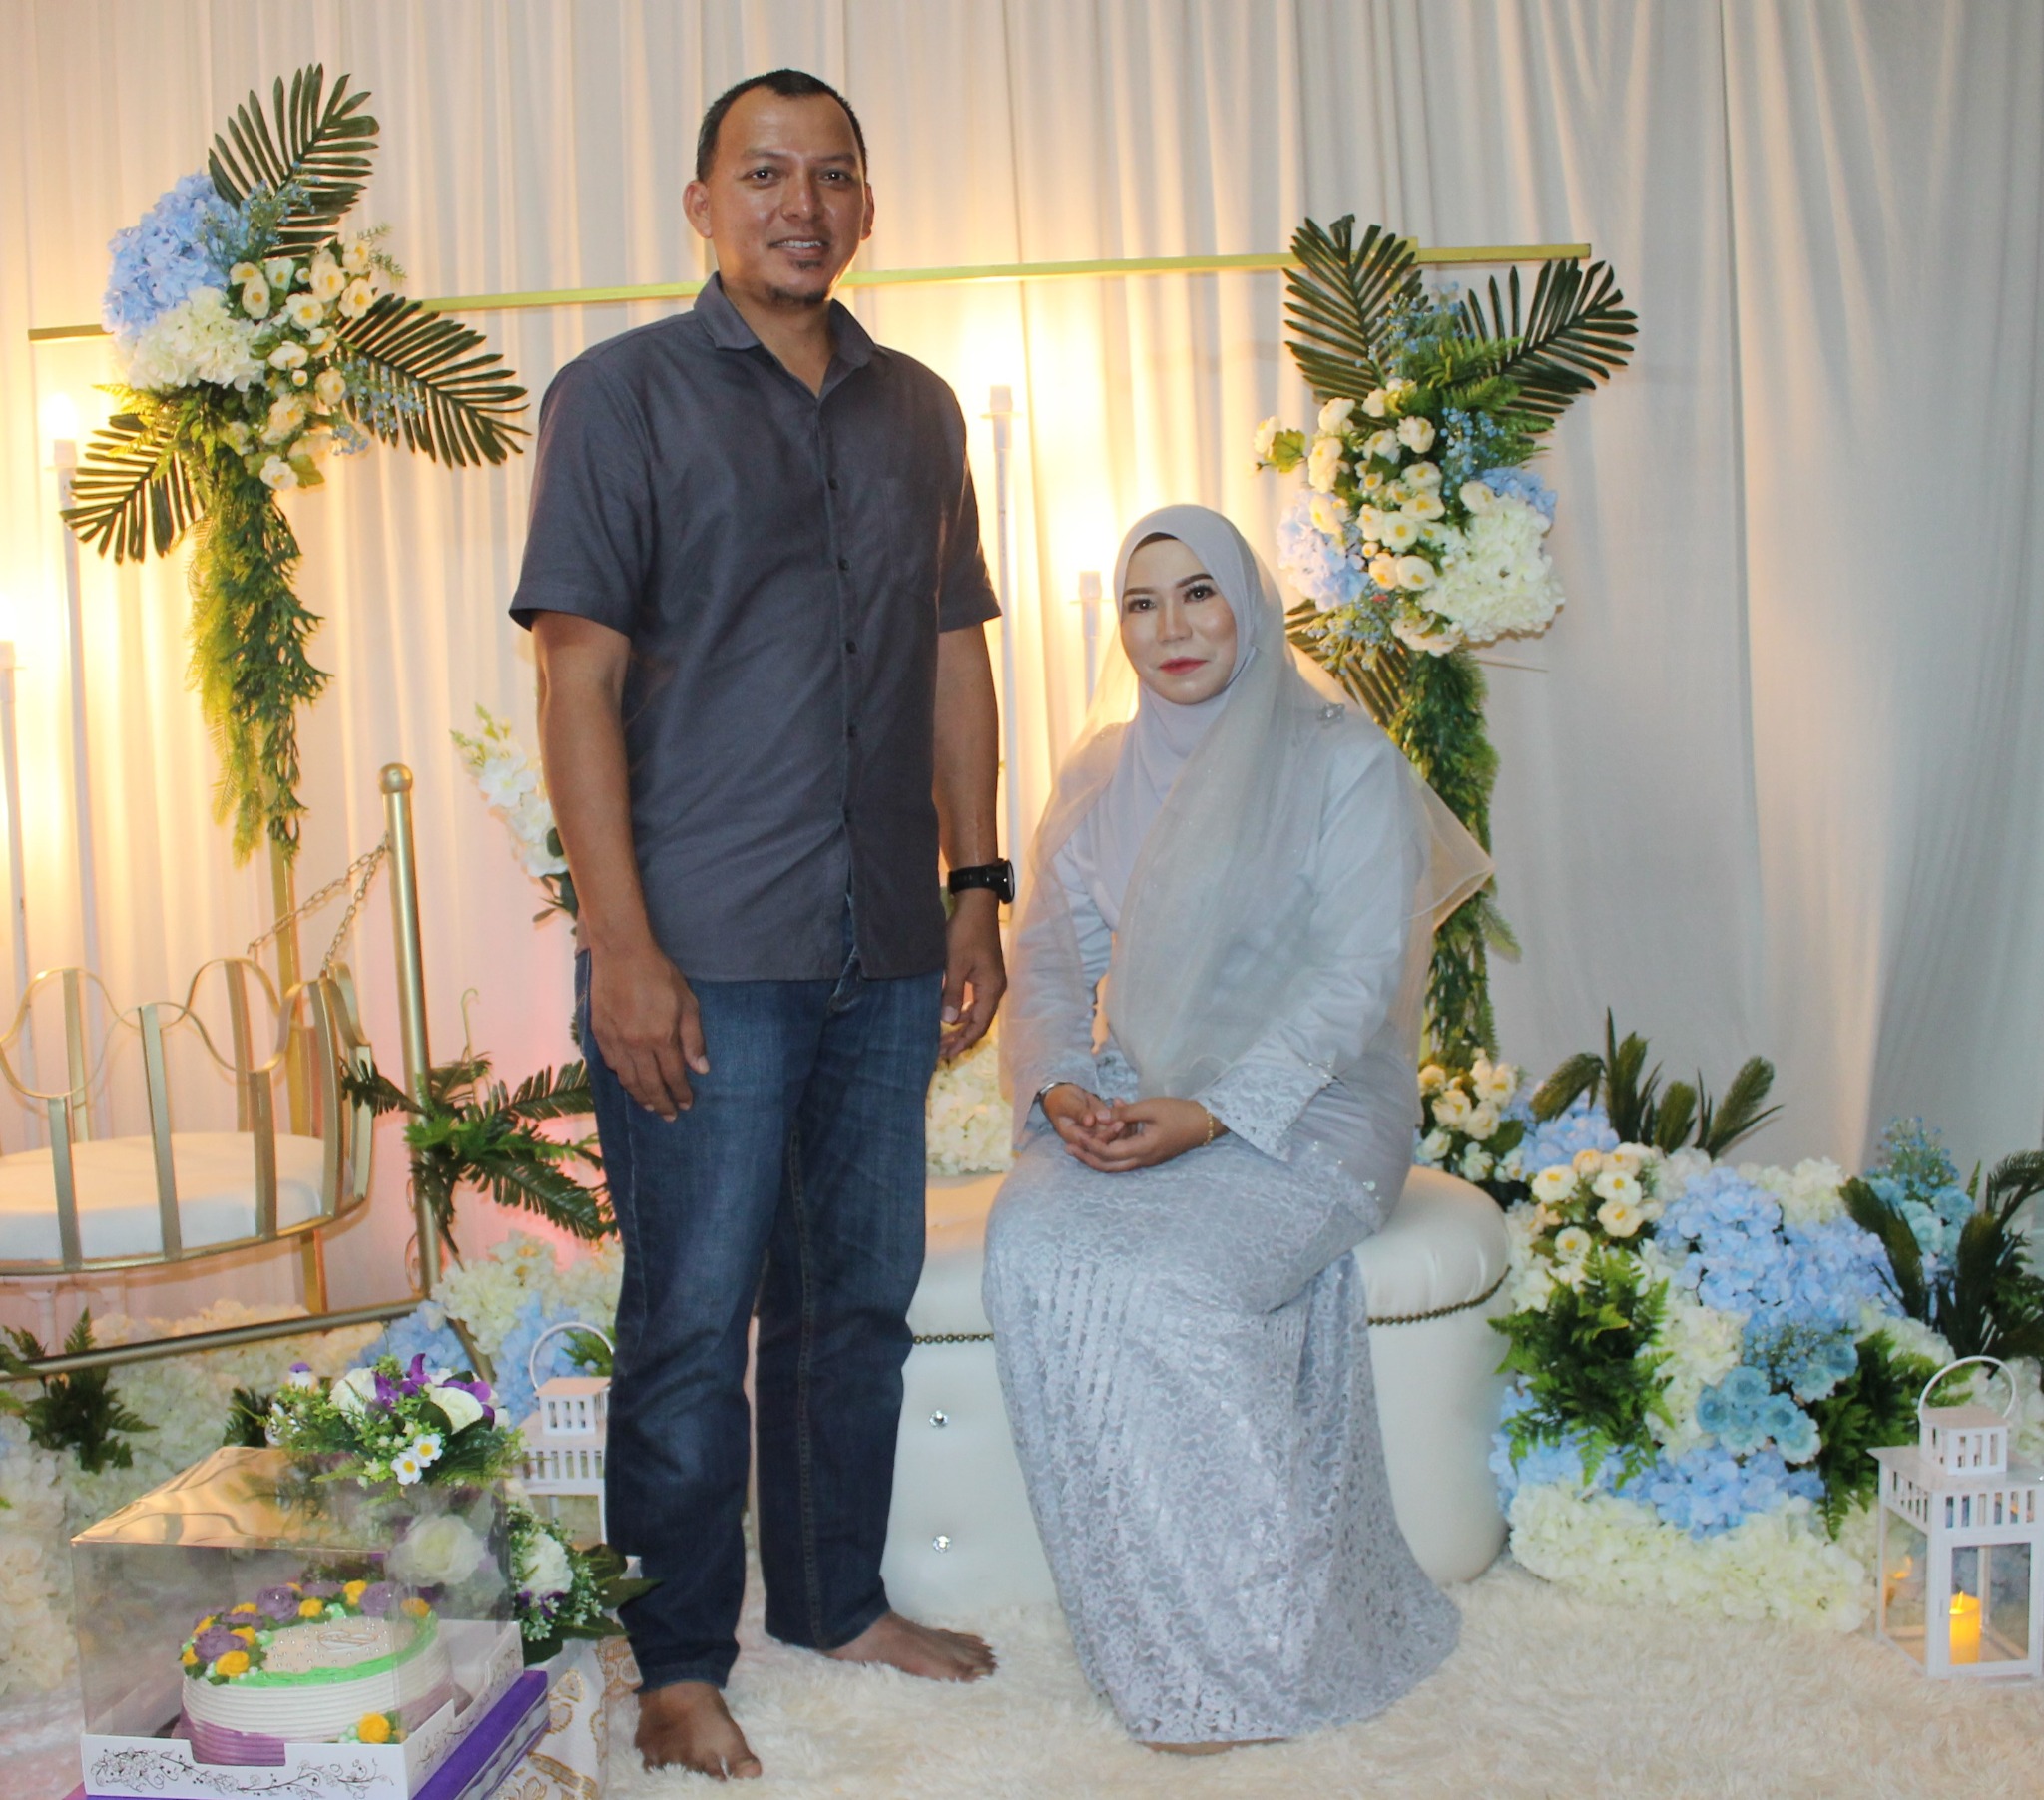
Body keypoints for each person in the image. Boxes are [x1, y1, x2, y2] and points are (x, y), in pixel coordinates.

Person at [511, 68, 1009, 1782]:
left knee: (855, 1297)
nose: (804, 205)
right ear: (701, 205)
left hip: (885, 941)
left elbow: (955, 652)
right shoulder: (618, 398)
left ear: (868, 203)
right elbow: (575, 680)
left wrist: (974, 885)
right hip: (704, 946)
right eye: (766, 174)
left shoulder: (920, 410)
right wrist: (620, 945)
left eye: (835, 174)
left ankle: (833, 1601)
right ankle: (673, 1663)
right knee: (690, 1315)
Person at [982, 504, 1489, 1750]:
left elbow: (1354, 977)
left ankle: (1263, 1643)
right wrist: (1060, 1087)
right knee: (1032, 1247)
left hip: (1309, 1108)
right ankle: (1149, 1640)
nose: (1171, 627)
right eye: (1140, 602)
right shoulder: (1099, 774)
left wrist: (1211, 1114)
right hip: (1133, 1090)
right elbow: (1048, 955)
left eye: (1198, 591)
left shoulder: (1338, 759)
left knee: (1163, 1279)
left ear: (1248, 604)